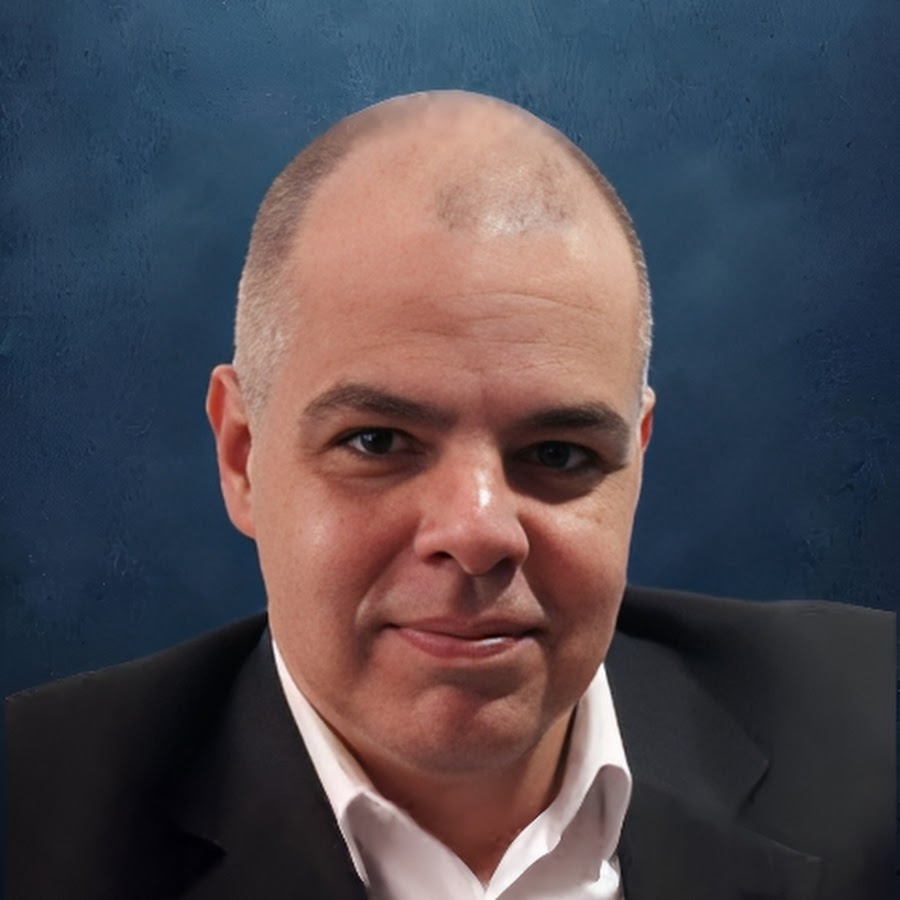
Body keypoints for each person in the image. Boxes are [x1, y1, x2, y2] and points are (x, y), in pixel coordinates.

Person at [7, 91, 894, 900]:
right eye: (377, 443)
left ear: (637, 462)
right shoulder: (29, 820)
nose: (477, 531)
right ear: (242, 457)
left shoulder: (872, 737)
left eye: (558, 453)